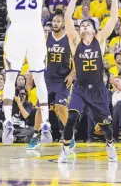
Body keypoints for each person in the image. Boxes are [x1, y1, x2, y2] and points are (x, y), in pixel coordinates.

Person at [1, 0, 54, 145]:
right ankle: (46, 124)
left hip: (15, 31)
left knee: (11, 77)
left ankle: (7, 121)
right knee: (40, 78)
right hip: (34, 30)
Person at [59, 0, 119, 163]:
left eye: (87, 25)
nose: (84, 26)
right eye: (82, 25)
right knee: (71, 119)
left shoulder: (100, 40)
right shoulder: (75, 41)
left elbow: (114, 18)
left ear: (94, 29)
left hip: (98, 89)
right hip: (80, 88)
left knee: (106, 127)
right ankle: (65, 149)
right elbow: (67, 18)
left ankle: (110, 146)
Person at [27, 13, 74, 149]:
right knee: (40, 107)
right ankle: (36, 136)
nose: (55, 23)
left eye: (58, 21)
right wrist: (31, 77)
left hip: (63, 80)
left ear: (63, 24)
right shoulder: (46, 38)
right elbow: (37, 59)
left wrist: (72, 74)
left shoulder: (69, 39)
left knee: (60, 106)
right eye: (54, 21)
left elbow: (77, 61)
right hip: (47, 79)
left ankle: (69, 136)